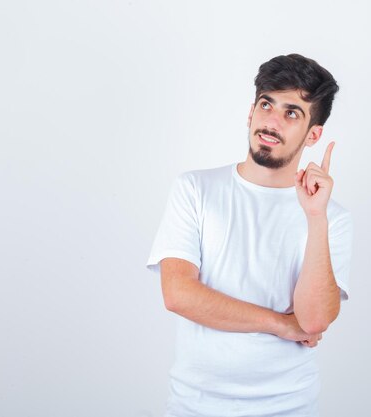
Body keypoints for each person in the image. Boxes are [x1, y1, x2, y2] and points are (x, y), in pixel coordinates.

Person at [146, 53, 354, 417]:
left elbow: (315, 321)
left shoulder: (331, 218)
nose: (272, 121)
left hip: (289, 406)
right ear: (250, 112)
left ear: (314, 134)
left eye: (292, 113)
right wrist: (280, 324)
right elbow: (178, 294)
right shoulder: (195, 189)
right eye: (266, 104)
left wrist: (315, 217)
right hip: (194, 405)